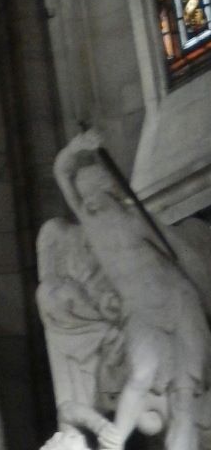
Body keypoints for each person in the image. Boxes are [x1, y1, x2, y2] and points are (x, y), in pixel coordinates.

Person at [53, 129, 211, 450]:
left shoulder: (136, 220)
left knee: (184, 393)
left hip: (178, 302)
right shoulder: (91, 224)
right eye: (85, 197)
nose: (89, 202)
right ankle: (114, 442)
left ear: (111, 192)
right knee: (139, 376)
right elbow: (60, 172)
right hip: (141, 311)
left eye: (95, 194)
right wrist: (75, 148)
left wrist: (206, 290)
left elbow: (182, 254)